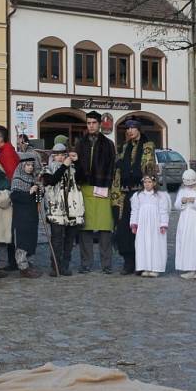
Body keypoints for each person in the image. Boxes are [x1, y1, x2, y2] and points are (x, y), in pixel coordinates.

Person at [111, 118, 156, 275]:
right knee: (124, 228)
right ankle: (128, 261)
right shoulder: (124, 147)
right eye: (127, 128)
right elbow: (118, 167)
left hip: (140, 193)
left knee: (139, 228)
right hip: (124, 193)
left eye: (132, 128)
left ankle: (141, 262)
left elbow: (148, 167)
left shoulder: (148, 146)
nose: (129, 131)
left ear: (138, 129)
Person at [73, 111, 116, 274]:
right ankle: (86, 263)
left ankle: (106, 264)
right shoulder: (80, 143)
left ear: (99, 124)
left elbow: (112, 166)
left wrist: (110, 185)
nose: (90, 125)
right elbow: (76, 166)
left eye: (93, 123)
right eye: (88, 123)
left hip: (103, 187)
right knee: (85, 228)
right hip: (84, 188)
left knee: (105, 228)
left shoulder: (108, 144)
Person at [41, 143, 84, 277]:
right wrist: (64, 166)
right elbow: (52, 181)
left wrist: (77, 162)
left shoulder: (72, 168)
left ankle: (65, 265)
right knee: (57, 240)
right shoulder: (48, 169)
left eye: (63, 154)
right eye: (57, 155)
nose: (60, 157)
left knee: (69, 240)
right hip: (56, 209)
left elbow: (82, 178)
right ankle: (56, 266)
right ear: (53, 156)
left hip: (73, 208)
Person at [0, 125, 21, 270]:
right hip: (6, 192)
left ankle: (12, 261)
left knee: (9, 227)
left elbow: (10, 174)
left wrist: (5, 191)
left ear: (1, 138)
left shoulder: (7, 152)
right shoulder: (2, 151)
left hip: (8, 194)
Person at [130, 172, 170, 277]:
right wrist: (134, 224)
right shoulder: (138, 196)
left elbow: (163, 211)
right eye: (145, 182)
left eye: (149, 182)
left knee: (155, 244)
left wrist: (163, 224)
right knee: (143, 244)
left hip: (155, 224)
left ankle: (155, 268)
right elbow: (135, 210)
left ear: (154, 183)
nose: (147, 184)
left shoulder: (160, 196)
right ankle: (145, 267)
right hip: (143, 225)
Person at [9, 154, 42, 278]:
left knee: (32, 240)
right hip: (21, 216)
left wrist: (39, 190)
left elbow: (38, 199)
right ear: (22, 166)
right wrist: (29, 192)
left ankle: (30, 263)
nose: (30, 168)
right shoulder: (17, 179)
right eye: (28, 165)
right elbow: (15, 197)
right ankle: (23, 266)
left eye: (32, 165)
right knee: (23, 241)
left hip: (32, 215)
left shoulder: (33, 179)